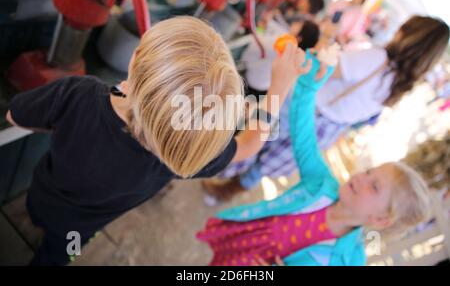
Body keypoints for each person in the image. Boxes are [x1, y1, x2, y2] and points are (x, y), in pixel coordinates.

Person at [6, 16, 309, 265]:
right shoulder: (187, 150)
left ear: (135, 58)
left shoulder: (78, 95)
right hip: (80, 229)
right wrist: (278, 90)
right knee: (62, 253)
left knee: (37, 212)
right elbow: (250, 146)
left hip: (44, 192)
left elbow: (15, 117)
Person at [197, 55, 431, 266]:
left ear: (380, 219)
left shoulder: (350, 260)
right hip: (241, 242)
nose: (362, 177)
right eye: (369, 172)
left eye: (374, 185)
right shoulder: (322, 183)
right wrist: (308, 86)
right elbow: (304, 134)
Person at [202, 15, 449, 203]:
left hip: (304, 107)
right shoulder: (399, 86)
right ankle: (224, 192)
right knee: (268, 163)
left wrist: (326, 39)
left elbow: (322, 69)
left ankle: (212, 167)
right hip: (326, 130)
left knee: (253, 137)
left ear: (409, 35)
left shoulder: (376, 58)